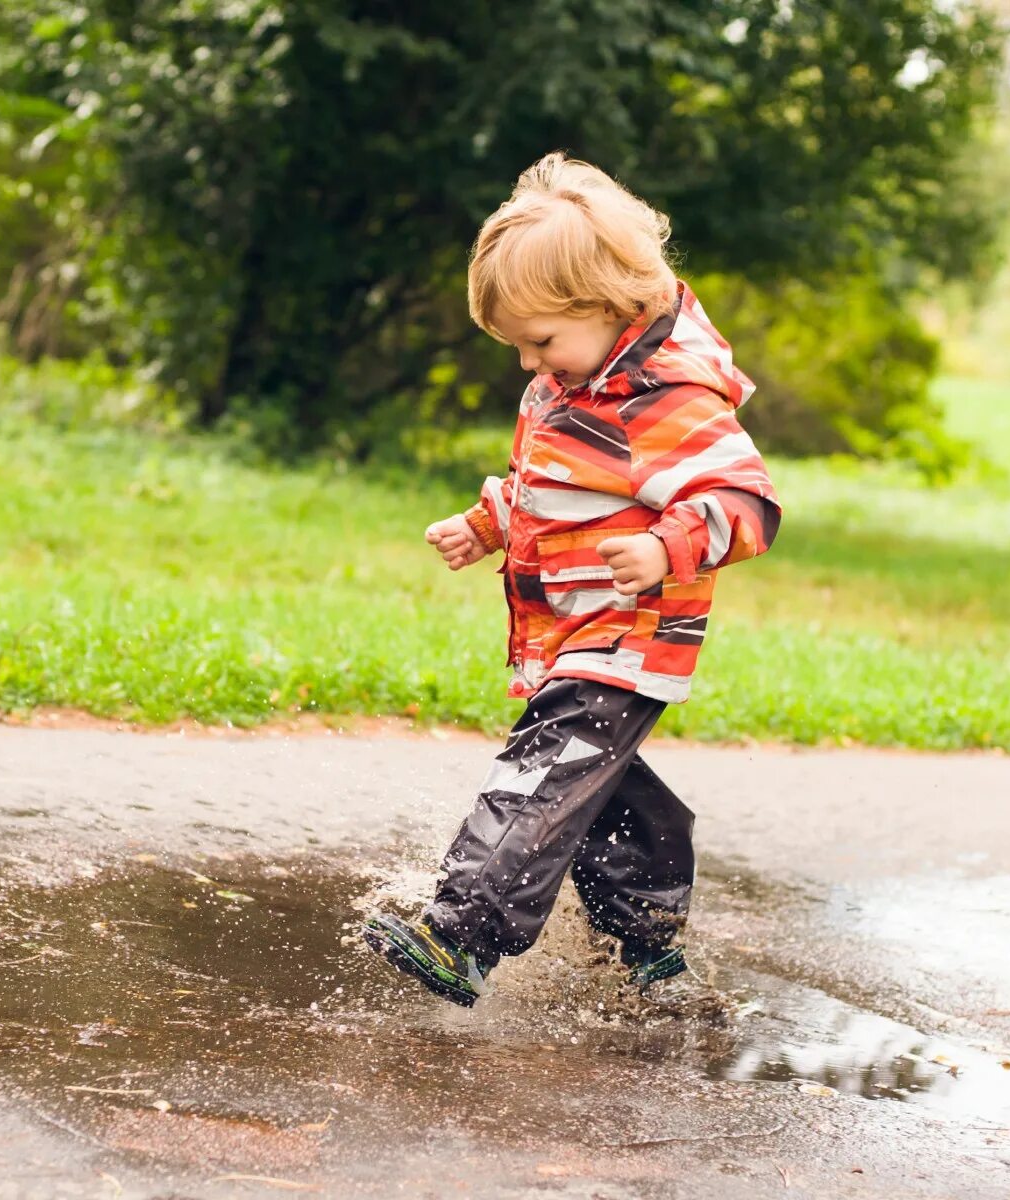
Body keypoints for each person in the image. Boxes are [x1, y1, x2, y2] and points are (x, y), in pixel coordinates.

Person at [362, 153, 781, 1006]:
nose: (527, 364)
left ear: (610, 303)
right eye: (516, 345)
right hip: (574, 632)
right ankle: (649, 943)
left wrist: (667, 548)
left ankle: (462, 935)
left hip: (625, 637)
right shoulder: (572, 382)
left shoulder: (666, 400)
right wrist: (489, 523)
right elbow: (554, 487)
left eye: (539, 340)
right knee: (606, 789)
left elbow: (747, 499)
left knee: (544, 771)